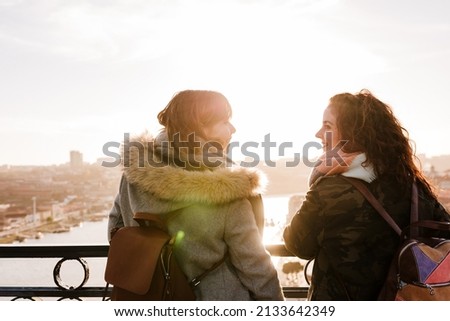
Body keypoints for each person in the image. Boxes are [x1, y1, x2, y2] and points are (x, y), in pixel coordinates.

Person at [108, 89, 284, 301]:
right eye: (225, 121)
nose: (233, 129)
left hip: (149, 295)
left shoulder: (134, 173)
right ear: (202, 127)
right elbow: (254, 265)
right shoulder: (227, 187)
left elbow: (115, 230)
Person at [283, 89, 450, 300]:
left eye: (327, 126)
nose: (318, 134)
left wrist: (316, 178)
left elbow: (297, 244)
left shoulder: (329, 191)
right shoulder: (413, 187)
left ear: (352, 133)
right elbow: (444, 234)